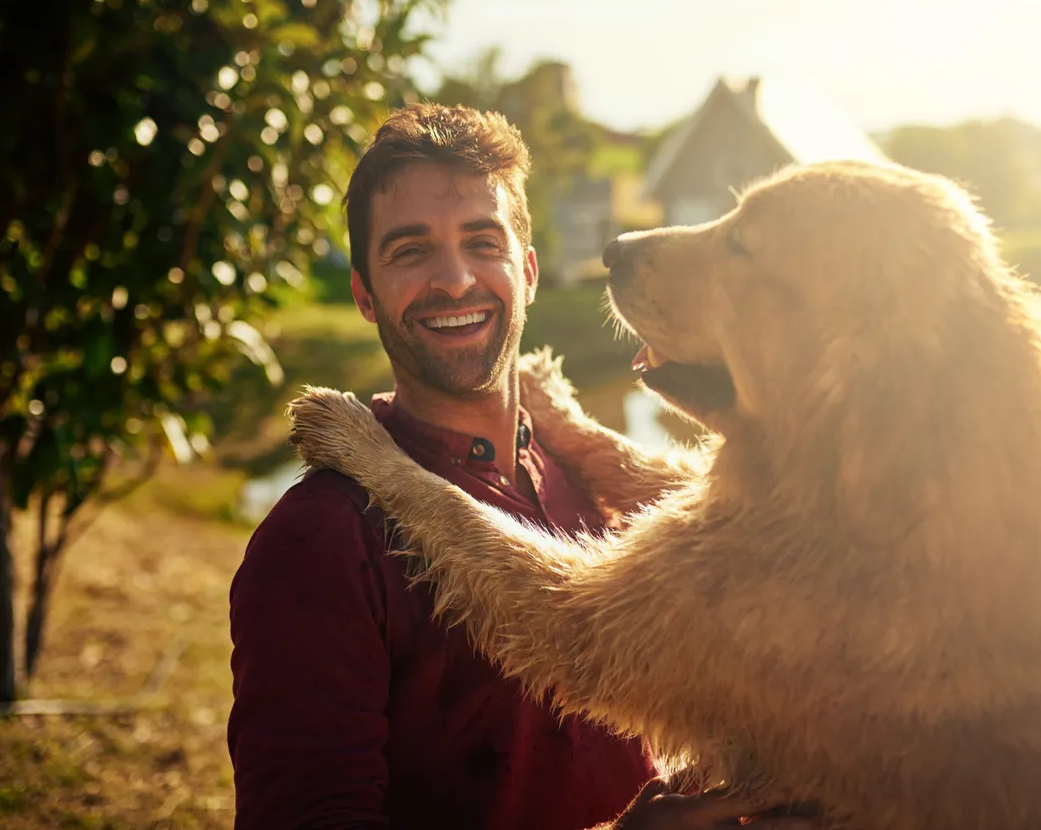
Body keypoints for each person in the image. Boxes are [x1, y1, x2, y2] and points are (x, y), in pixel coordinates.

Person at [227, 102, 809, 829]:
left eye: (483, 242)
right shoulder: (320, 541)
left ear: (528, 272)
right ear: (364, 296)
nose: (455, 280)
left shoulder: (590, 481)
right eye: (410, 251)